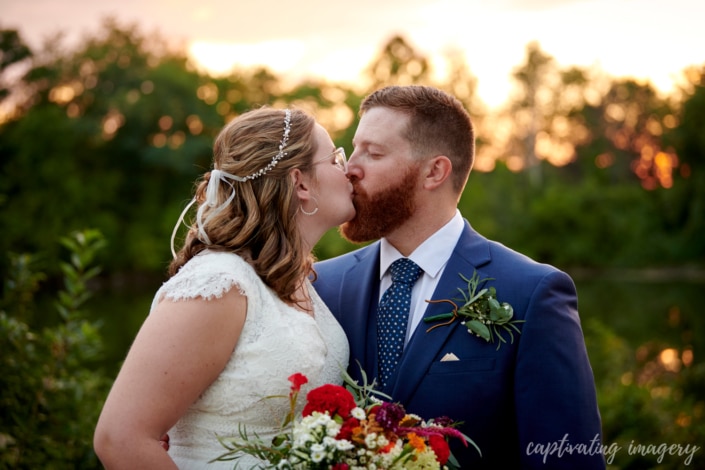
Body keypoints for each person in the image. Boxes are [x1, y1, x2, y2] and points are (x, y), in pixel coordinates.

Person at [313, 85, 606, 469]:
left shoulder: (531, 293)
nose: (351, 166)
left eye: (374, 152)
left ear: (434, 171)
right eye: (354, 147)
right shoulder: (321, 284)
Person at [93, 107, 354, 468]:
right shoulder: (220, 284)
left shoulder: (300, 283)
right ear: (301, 183)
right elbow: (121, 439)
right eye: (336, 158)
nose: (349, 170)